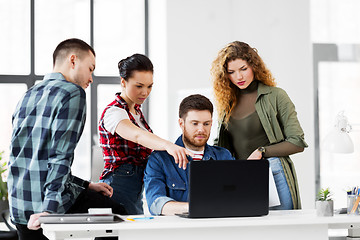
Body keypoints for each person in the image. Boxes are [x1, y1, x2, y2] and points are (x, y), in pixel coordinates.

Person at [7, 38, 127, 240]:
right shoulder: (72, 93)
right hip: (45, 206)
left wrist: (86, 186)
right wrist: (50, 211)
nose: (91, 79)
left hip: (19, 207)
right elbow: (59, 157)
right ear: (73, 60)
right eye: (90, 69)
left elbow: (32, 160)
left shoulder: (28, 95)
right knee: (119, 216)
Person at [210, 41, 308, 210]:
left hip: (274, 171)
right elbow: (220, 148)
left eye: (243, 69)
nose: (239, 77)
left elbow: (297, 141)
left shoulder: (276, 96)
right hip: (241, 177)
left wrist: (263, 151)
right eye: (231, 72)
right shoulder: (227, 104)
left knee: (281, 232)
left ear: (254, 66)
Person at [98, 54, 193, 215]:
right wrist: (169, 146)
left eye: (149, 86)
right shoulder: (114, 112)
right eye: (139, 86)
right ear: (123, 82)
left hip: (135, 187)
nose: (145, 92)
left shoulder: (136, 112)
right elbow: (137, 136)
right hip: (117, 185)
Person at [144, 94, 234, 216]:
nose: (201, 130)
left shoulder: (223, 156)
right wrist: (200, 207)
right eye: (195, 123)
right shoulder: (160, 159)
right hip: (177, 231)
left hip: (216, 228)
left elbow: (235, 197)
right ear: (181, 123)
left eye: (206, 124)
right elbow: (156, 204)